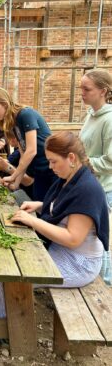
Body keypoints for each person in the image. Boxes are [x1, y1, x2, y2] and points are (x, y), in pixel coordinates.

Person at [0, 132, 109, 318]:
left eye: (53, 161)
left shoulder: (87, 189)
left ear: (71, 158)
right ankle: (1, 318)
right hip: (61, 250)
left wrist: (33, 220)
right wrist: (39, 205)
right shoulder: (71, 177)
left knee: (5, 274)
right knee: (7, 259)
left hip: (78, 263)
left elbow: (73, 238)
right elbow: (64, 208)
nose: (50, 167)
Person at [0, 87, 56, 200]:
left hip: (50, 169)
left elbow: (32, 151)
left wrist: (13, 175)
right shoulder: (14, 122)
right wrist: (16, 184)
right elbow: (23, 154)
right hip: (37, 171)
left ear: (5, 104)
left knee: (47, 209)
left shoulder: (25, 114)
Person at [79, 69, 112, 284]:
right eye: (80, 87)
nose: (81, 92)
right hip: (89, 184)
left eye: (86, 89)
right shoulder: (91, 114)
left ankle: (106, 283)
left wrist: (86, 163)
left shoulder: (109, 120)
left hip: (103, 188)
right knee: (91, 238)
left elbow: (110, 160)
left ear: (104, 91)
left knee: (100, 239)